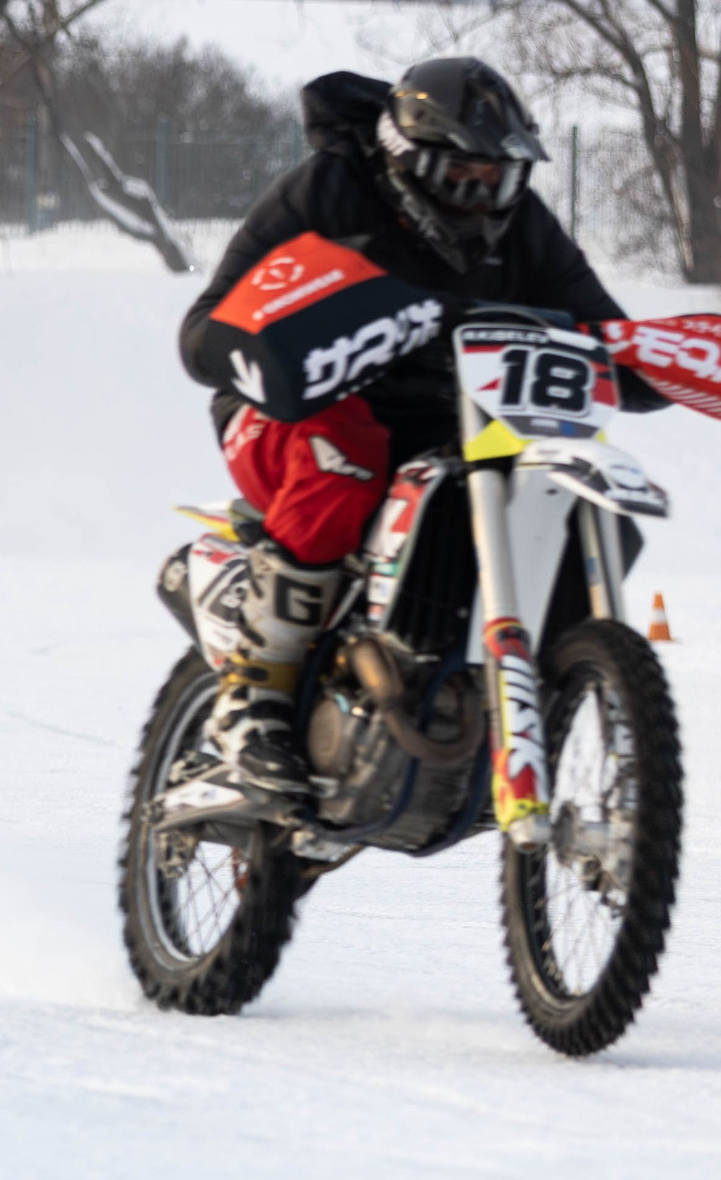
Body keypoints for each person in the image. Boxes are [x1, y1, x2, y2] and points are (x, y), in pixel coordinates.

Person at [173, 58, 662, 816]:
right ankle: (254, 696)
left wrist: (647, 361)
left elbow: (598, 322)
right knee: (345, 461)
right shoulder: (328, 191)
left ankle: (538, 692)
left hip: (451, 428)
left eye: (495, 178)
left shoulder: (524, 225)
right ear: (407, 164)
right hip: (293, 411)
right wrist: (327, 328)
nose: (480, 196)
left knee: (548, 489)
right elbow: (205, 332)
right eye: (461, 176)